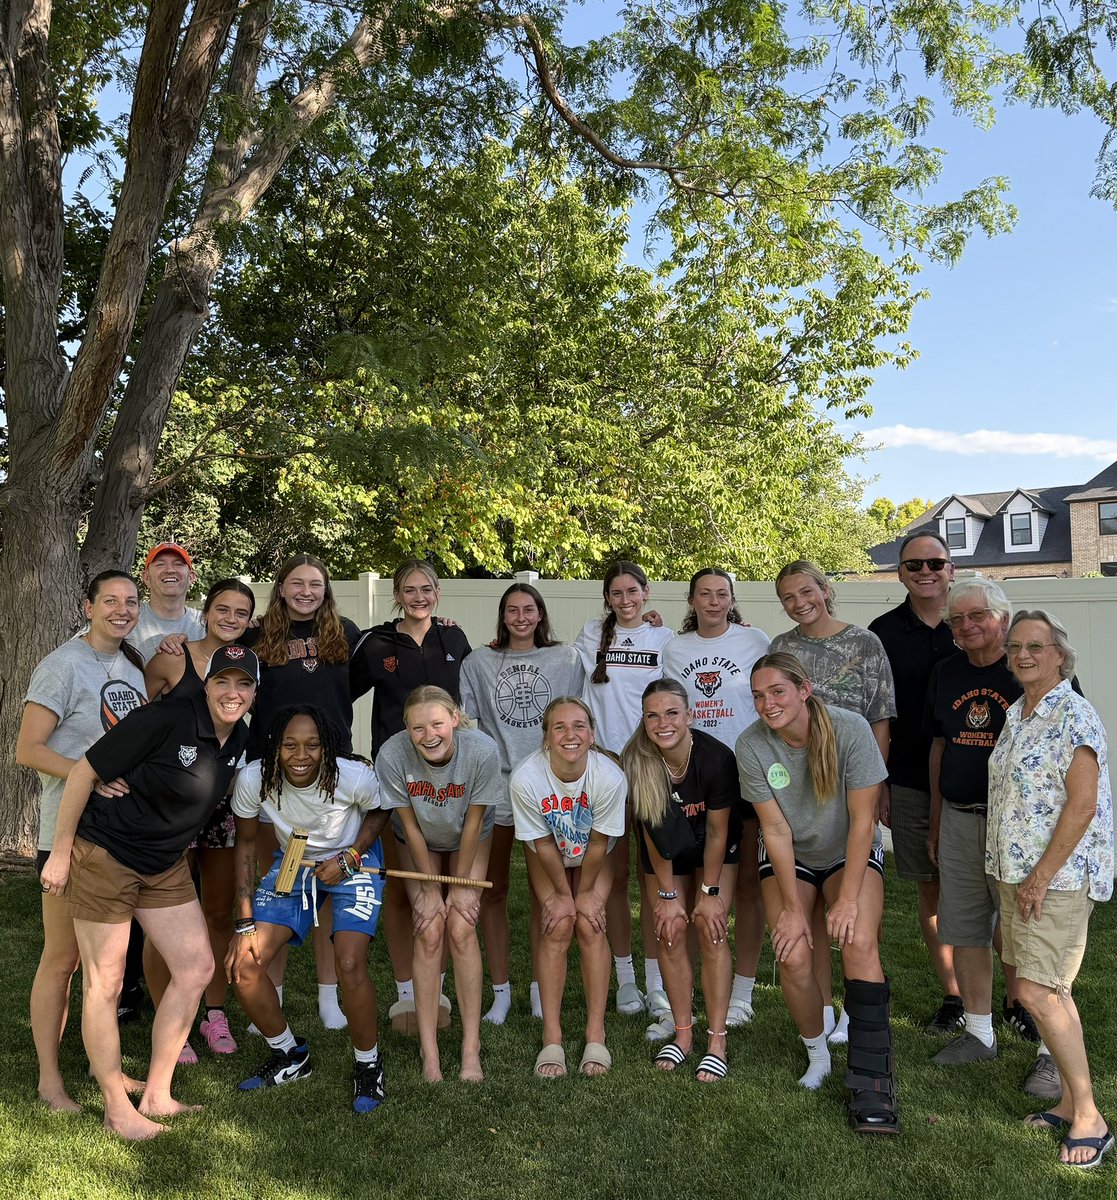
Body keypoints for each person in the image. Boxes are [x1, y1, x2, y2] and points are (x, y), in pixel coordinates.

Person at [39, 645, 258, 1140]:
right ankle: (118, 1110)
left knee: (197, 967)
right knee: (107, 981)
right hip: (107, 855)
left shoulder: (241, 736)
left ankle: (157, 1092)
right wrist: (59, 851)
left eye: (243, 684)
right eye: (222, 681)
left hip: (163, 865)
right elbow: (83, 772)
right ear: (205, 683)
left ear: (254, 692)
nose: (232, 693)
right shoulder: (167, 717)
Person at [737, 653, 898, 1135]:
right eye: (758, 696)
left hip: (849, 845)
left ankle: (873, 1082)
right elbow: (775, 830)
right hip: (793, 853)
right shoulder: (751, 744)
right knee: (791, 955)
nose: (767, 704)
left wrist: (848, 899)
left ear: (804, 690)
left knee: (858, 942)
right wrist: (790, 909)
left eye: (777, 692)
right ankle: (818, 1053)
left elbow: (864, 821)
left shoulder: (849, 729)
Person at [16, 571, 148, 1111]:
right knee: (62, 958)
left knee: (105, 969)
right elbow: (27, 749)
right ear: (88, 606)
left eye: (131, 601)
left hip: (120, 837)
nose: (122, 609)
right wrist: (87, 774)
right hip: (66, 833)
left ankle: (108, 1073)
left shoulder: (133, 665)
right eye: (110, 601)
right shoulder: (61, 665)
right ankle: (50, 1079)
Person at [988, 611, 1113, 1169]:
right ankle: (1067, 1102)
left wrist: (1038, 877)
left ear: (1060, 655)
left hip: (1054, 880)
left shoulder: (1073, 715)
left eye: (1035, 647)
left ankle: (1090, 1117)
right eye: (1015, 647)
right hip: (1016, 876)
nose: (1022, 656)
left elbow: (1082, 805)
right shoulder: (1018, 713)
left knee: (1041, 992)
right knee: (1046, 989)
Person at [227, 705, 390, 1113]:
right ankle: (289, 1055)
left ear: (327, 748)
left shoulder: (352, 776)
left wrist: (352, 855)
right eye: (290, 745)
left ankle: (369, 1065)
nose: (301, 755)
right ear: (274, 748)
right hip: (294, 859)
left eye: (312, 746)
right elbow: (246, 844)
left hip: (354, 859)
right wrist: (245, 917)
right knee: (243, 966)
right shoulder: (253, 778)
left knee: (350, 963)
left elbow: (380, 809)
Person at [770, 559, 895, 1042]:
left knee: (858, 911)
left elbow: (881, 716)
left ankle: (857, 1000)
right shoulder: (783, 646)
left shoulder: (864, 642)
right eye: (788, 598)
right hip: (800, 789)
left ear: (825, 590)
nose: (800, 603)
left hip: (853, 780)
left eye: (807, 592)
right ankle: (823, 1010)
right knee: (813, 913)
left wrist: (876, 781)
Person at [241, 553, 362, 1030]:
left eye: (315, 583)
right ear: (282, 587)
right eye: (297, 583)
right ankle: (274, 991)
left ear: (326, 589)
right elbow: (210, 650)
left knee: (327, 890)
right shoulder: (258, 635)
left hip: (330, 769)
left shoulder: (345, 633)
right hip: (274, 769)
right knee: (283, 885)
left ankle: (329, 996)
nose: (306, 591)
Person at [350, 558, 472, 1032]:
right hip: (398, 777)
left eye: (427, 589)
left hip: (450, 777)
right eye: (409, 589)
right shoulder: (377, 642)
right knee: (405, 888)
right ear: (397, 594)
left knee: (444, 885)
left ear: (437, 593)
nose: (419, 597)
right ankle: (408, 992)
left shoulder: (454, 638)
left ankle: (437, 986)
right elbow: (342, 695)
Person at [459, 583, 585, 1024]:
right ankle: (500, 990)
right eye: (512, 610)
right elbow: (467, 723)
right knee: (491, 891)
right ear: (502, 616)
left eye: (528, 609)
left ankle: (537, 986)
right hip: (496, 787)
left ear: (541, 614)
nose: (520, 617)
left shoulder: (566, 659)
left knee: (544, 893)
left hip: (545, 786)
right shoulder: (479, 662)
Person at [925, 579, 1038, 1069]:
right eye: (957, 620)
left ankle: (1050, 1043)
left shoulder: (1033, 673)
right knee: (967, 928)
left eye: (978, 616)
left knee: (1030, 932)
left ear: (1003, 619)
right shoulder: (945, 673)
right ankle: (978, 1032)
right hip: (960, 819)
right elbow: (939, 746)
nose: (967, 627)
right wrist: (935, 819)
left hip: (1017, 828)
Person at [144, 578, 257, 1062]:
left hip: (219, 805)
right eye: (222, 610)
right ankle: (169, 1017)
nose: (230, 619)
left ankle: (213, 1014)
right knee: (163, 917)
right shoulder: (175, 655)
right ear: (204, 612)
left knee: (216, 909)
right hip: (170, 805)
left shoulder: (246, 668)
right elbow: (133, 717)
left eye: (241, 613)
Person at [663, 567, 769, 1029]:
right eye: (703, 594)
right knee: (685, 888)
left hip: (743, 771)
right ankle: (680, 994)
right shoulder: (675, 648)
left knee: (746, 885)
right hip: (688, 775)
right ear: (690, 601)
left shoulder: (754, 642)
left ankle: (742, 991)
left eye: (721, 593)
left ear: (732, 599)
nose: (712, 601)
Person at [375, 686, 498, 1083]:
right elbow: (409, 826)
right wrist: (429, 890)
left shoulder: (480, 750)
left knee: (461, 927)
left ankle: (470, 1050)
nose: (429, 735)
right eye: (417, 728)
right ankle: (430, 1056)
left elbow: (474, 823)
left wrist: (461, 887)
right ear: (406, 730)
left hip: (470, 836)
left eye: (437, 724)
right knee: (429, 930)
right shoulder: (392, 754)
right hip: (416, 840)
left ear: (455, 722)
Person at [868, 531, 962, 1034]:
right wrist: (879, 783)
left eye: (934, 563)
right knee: (930, 887)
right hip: (907, 778)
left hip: (977, 781)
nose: (925, 572)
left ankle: (1017, 997)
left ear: (951, 568)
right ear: (900, 573)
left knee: (992, 889)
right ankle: (955, 995)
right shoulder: (882, 632)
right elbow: (873, 713)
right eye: (913, 565)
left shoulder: (975, 622)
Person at [575, 560, 674, 1026]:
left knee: (654, 871)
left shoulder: (664, 637)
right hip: (605, 765)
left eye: (632, 591)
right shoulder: (592, 633)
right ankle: (625, 975)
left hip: (650, 762)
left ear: (646, 592)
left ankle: (657, 981)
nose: (626, 600)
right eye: (616, 593)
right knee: (610, 876)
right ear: (608, 598)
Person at [624, 679, 738, 1081]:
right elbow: (654, 836)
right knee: (670, 930)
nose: (662, 723)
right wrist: (669, 896)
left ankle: (717, 1039)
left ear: (689, 715)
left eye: (672, 713)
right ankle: (684, 1033)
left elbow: (720, 833)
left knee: (710, 928)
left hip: (714, 849)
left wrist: (708, 893)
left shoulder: (716, 758)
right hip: (667, 851)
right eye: (652, 715)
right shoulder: (638, 758)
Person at [510, 698, 626, 1078]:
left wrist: (585, 896)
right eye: (559, 727)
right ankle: (552, 1036)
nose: (569, 735)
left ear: (592, 735)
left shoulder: (609, 778)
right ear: (545, 738)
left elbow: (596, 844)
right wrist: (562, 897)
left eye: (579, 726)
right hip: (547, 853)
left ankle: (596, 1033)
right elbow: (542, 844)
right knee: (558, 925)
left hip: (595, 853)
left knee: (590, 924)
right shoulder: (526, 778)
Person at [132, 542, 205, 662]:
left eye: (178, 564)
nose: (170, 570)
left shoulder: (205, 624)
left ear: (191, 577)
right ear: (146, 577)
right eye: (160, 564)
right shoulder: (128, 617)